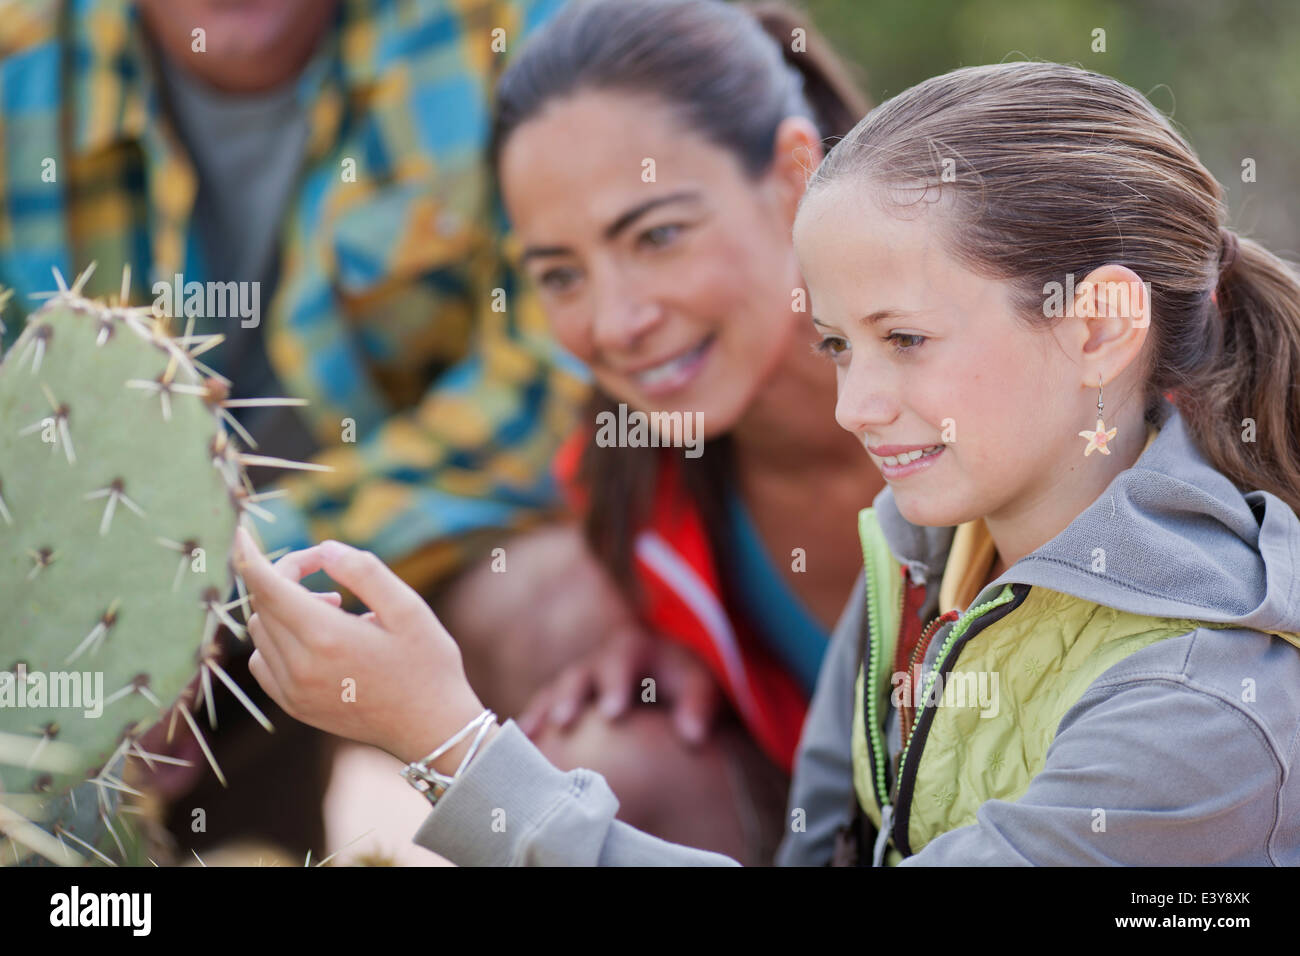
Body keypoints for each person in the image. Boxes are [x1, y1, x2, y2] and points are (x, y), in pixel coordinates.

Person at [236, 58, 1300, 866]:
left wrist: (450, 741)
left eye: (907, 339)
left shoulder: (1203, 706)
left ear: (1099, 325)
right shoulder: (924, 546)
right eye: (838, 344)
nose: (854, 403)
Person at [0, 0, 581, 859]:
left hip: (400, 546)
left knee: (566, 614)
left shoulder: (505, 34)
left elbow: (549, 382)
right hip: (83, 583)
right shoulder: (21, 57)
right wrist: (96, 630)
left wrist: (199, 596)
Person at [432, 0, 882, 864]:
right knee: (599, 757)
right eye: (561, 275)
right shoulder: (636, 483)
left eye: (659, 235)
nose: (616, 322)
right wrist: (667, 637)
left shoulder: (996, 400)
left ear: (795, 176)